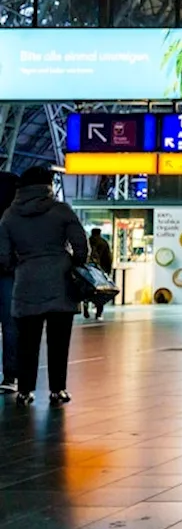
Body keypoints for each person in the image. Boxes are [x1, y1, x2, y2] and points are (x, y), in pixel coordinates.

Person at [0, 167, 88, 408]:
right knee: (59, 341)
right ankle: (57, 390)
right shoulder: (61, 210)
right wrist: (75, 261)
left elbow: (3, 256)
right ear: (48, 185)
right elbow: (80, 244)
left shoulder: (9, 215)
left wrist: (22, 263)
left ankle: (25, 391)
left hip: (26, 282)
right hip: (60, 282)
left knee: (27, 341)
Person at [0, 172, 18, 394]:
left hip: (7, 271)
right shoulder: (16, 214)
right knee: (11, 326)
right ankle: (10, 376)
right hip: (10, 274)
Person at [85, 228, 113, 320]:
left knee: (87, 289)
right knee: (100, 292)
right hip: (101, 271)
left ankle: (85, 306)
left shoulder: (87, 242)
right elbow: (108, 258)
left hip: (88, 270)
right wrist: (108, 272)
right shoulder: (104, 242)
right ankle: (98, 313)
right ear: (100, 233)